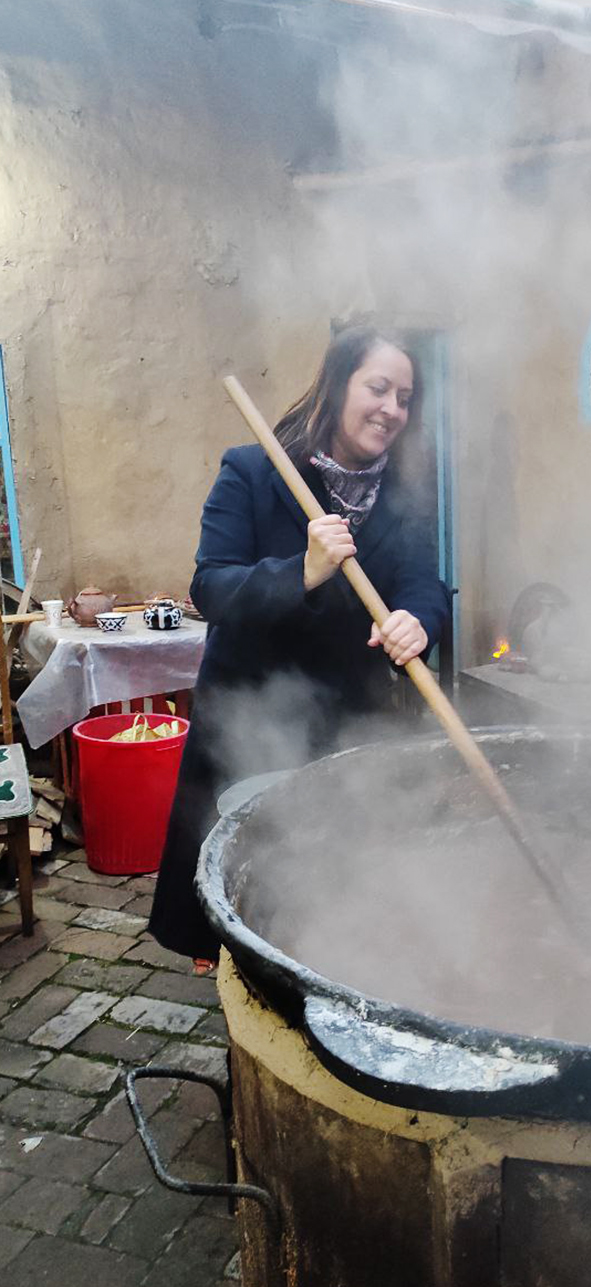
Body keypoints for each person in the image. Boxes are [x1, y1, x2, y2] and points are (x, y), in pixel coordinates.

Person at [149, 326, 451, 965]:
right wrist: (302, 571)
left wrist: (417, 620)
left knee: (336, 875)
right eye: (378, 387)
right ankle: (235, 965)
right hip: (253, 711)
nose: (392, 409)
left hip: (350, 713)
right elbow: (211, 586)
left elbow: (425, 584)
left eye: (405, 396)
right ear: (339, 385)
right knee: (248, 867)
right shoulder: (255, 471)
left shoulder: (403, 494)